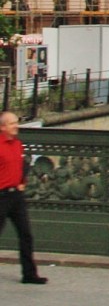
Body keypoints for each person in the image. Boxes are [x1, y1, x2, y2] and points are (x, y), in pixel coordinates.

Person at [0, 112, 48, 284]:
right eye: (12, 123)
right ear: (3, 127)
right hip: (2, 196)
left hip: (16, 196)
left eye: (16, 122)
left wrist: (22, 182)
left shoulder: (18, 145)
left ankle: (29, 274)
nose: (16, 126)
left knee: (26, 234)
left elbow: (22, 165)